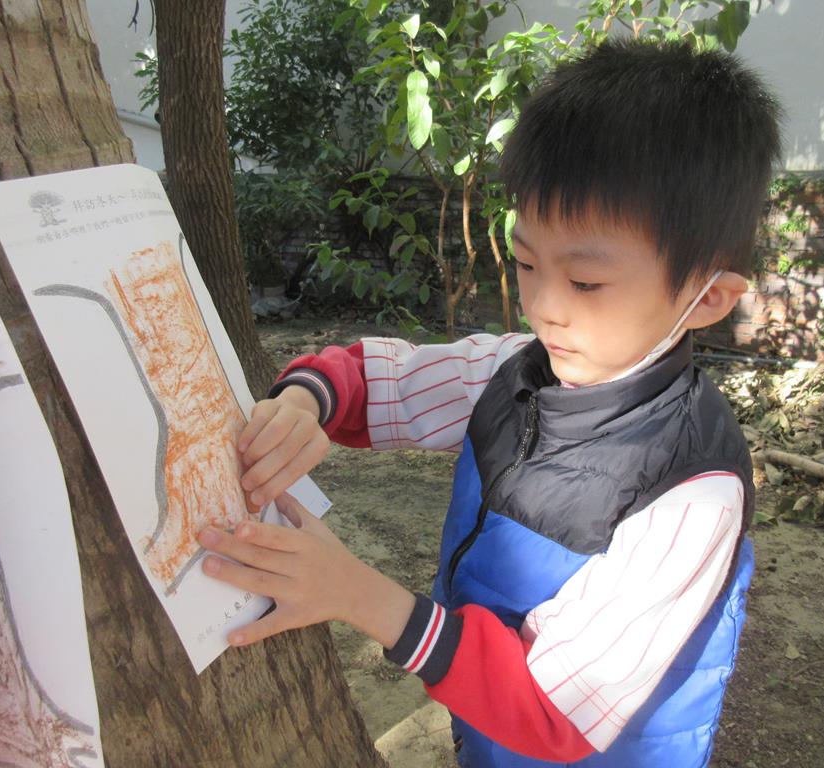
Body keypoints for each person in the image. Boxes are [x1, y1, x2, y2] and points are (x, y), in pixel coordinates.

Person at [198, 37, 782, 767]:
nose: (545, 307)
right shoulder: (516, 371)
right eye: (528, 262)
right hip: (487, 724)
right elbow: (382, 381)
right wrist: (304, 402)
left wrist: (355, 593)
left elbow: (554, 713)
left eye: (587, 282)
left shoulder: (691, 493)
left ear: (709, 298)